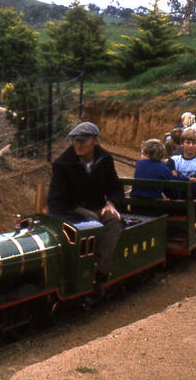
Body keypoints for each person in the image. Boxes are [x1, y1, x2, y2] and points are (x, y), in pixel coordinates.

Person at [47, 121, 124, 290]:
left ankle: (101, 273)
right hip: (72, 209)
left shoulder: (105, 159)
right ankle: (81, 273)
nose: (78, 145)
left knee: (112, 220)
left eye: (83, 141)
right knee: (93, 221)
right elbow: (55, 201)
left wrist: (111, 203)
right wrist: (72, 214)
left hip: (97, 205)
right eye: (75, 141)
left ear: (95, 141)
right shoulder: (62, 164)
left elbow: (116, 188)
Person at [167, 129, 196, 199]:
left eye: (194, 143)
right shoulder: (174, 160)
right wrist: (189, 180)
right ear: (182, 144)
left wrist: (177, 178)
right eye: (188, 143)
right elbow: (169, 179)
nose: (191, 146)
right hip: (175, 196)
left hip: (194, 197)